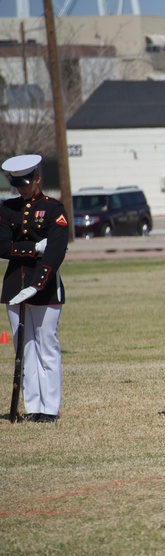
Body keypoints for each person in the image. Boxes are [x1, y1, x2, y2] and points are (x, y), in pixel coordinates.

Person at [0, 154, 69, 423]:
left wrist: (38, 284)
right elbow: (3, 246)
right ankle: (33, 406)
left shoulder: (53, 208)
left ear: (38, 178)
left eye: (26, 183)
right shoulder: (7, 209)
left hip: (46, 285)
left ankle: (49, 407)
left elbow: (56, 250)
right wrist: (33, 248)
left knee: (46, 344)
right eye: (17, 184)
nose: (22, 188)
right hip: (15, 283)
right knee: (23, 347)